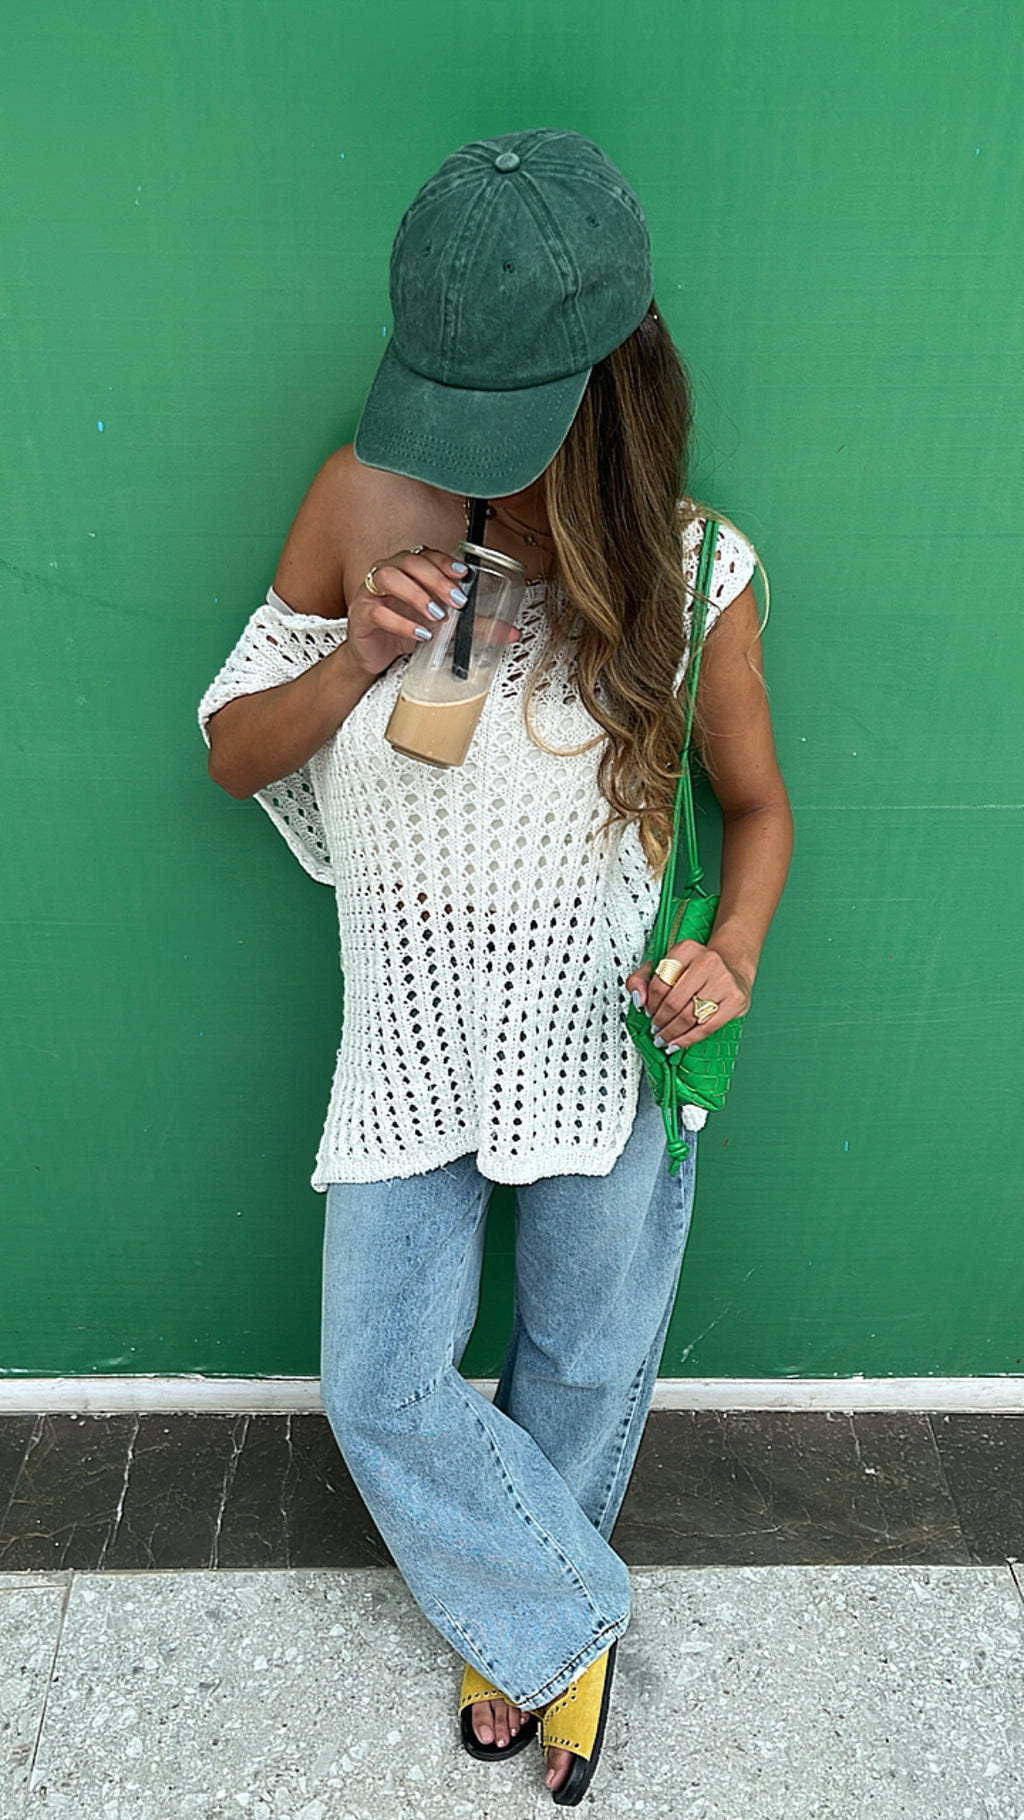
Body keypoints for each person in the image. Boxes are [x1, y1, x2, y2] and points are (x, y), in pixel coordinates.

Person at [199, 129, 792, 1806]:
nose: (463, 455)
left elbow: (757, 812)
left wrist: (732, 949)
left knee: (582, 1368)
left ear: (604, 388)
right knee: (376, 1379)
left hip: (612, 1044)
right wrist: (351, 663)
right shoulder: (361, 498)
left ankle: (513, 1628)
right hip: (406, 1049)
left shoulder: (696, 572)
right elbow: (236, 749)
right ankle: (566, 1623)